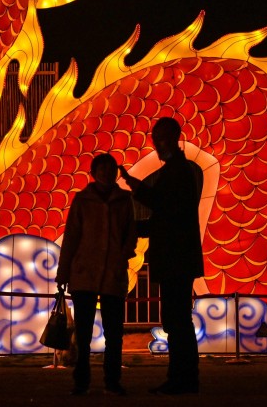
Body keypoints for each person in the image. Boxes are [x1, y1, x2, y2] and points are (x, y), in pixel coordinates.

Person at [119, 116, 204, 395]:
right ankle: (181, 376)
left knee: (177, 320)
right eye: (155, 138)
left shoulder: (178, 171)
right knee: (177, 320)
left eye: (160, 138)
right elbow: (164, 209)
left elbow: (166, 212)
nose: (157, 144)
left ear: (173, 138)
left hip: (176, 259)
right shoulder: (177, 170)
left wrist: (135, 221)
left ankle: (183, 378)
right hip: (177, 258)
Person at [56, 152, 137, 396]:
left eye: (110, 169)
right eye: (101, 169)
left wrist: (122, 256)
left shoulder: (124, 200)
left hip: (112, 273)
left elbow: (130, 233)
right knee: (83, 332)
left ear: (115, 173)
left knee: (114, 332)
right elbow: (71, 237)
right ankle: (81, 380)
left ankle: (112, 380)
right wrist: (64, 272)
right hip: (84, 274)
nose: (106, 173)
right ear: (93, 173)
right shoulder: (83, 200)